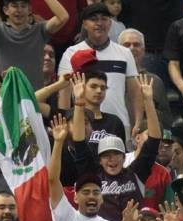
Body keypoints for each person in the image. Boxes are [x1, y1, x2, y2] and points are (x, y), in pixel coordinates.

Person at [72, 73, 159, 221]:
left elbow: (154, 140)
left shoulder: (136, 173)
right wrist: (79, 104)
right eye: (106, 156)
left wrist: (148, 101)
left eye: (116, 154)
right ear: (99, 159)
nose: (112, 159)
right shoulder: (93, 175)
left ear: (124, 157)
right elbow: (79, 142)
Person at [58, 3, 142, 139]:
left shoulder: (125, 53)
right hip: (82, 124)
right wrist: (66, 123)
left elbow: (135, 92)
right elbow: (64, 94)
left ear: (110, 23)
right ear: (84, 24)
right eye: (94, 19)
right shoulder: (71, 53)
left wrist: (137, 122)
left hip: (118, 123)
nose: (99, 23)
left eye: (104, 19)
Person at [0, 0, 68, 89]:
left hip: (35, 96)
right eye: (14, 6)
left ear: (29, 10)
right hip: (8, 96)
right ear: (5, 10)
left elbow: (63, 17)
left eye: (23, 6)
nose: (19, 10)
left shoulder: (40, 30)